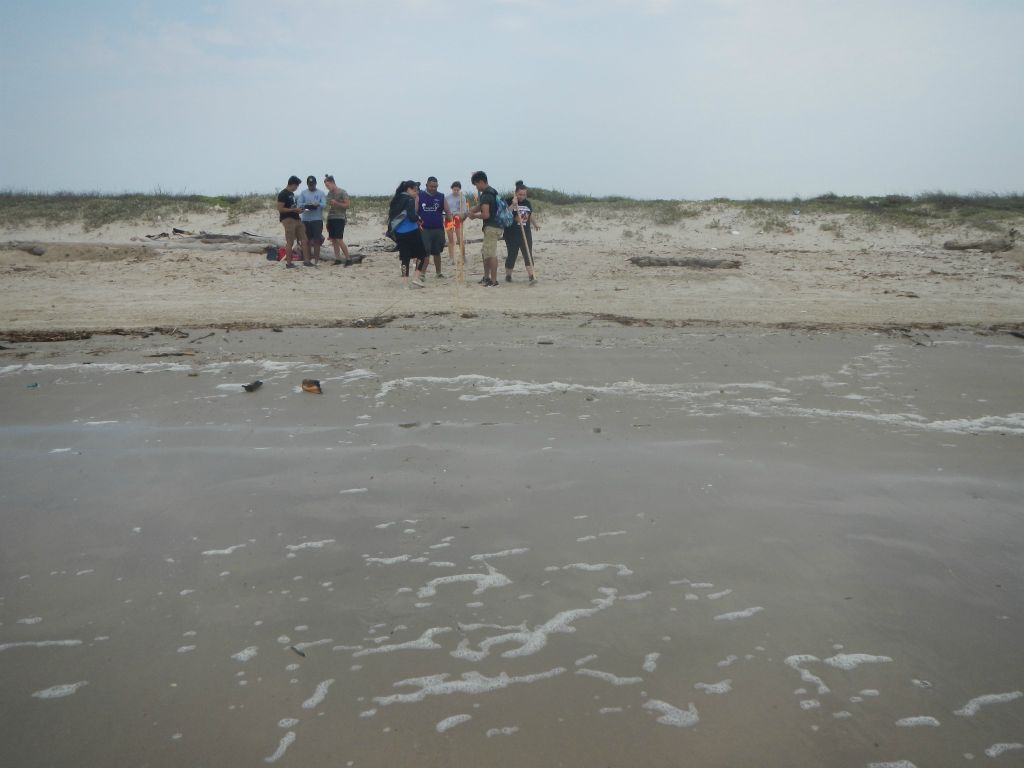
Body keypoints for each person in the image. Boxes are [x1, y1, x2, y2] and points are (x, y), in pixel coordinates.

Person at [388, 180, 427, 288]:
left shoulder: (396, 199)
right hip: (412, 231)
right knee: (422, 255)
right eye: (415, 190)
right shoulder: (409, 199)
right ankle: (415, 278)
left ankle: (405, 283)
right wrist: (418, 218)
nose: (416, 193)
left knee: (405, 258)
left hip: (399, 233)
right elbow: (412, 217)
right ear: (408, 189)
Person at [467, 170, 501, 286]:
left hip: (491, 227)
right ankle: (486, 277)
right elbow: (481, 206)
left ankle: (494, 281)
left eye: (476, 184)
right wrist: (470, 211)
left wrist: (474, 216)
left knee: (491, 254)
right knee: (485, 252)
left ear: (481, 182)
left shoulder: (486, 195)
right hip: (496, 226)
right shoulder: (493, 191)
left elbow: (486, 214)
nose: (476, 187)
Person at [504, 180, 538, 284]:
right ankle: (508, 275)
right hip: (511, 233)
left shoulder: (527, 203)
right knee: (512, 254)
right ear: (515, 193)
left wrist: (535, 224)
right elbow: (505, 214)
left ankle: (531, 276)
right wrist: (513, 205)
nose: (522, 197)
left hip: (525, 232)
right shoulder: (508, 200)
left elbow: (530, 215)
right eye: (520, 194)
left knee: (527, 253)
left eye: (524, 195)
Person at [418, 176, 451, 278]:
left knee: (437, 252)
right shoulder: (420, 196)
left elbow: (448, 212)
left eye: (435, 186)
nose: (433, 188)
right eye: (431, 186)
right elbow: (414, 212)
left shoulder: (441, 196)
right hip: (424, 229)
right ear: (426, 185)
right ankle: (422, 274)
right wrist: (417, 224)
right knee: (425, 252)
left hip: (438, 229)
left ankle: (438, 273)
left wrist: (451, 221)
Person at [276, 175, 311, 268]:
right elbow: (280, 209)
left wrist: (299, 210)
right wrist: (294, 210)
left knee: (304, 239)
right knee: (290, 241)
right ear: (292, 184)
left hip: (297, 218)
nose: (297, 187)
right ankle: (289, 263)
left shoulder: (292, 194)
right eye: (297, 185)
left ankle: (307, 261)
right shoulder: (283, 194)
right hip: (288, 219)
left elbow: (292, 207)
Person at [296, 175, 327, 264]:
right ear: (307, 184)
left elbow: (324, 204)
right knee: (306, 241)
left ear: (316, 183)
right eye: (310, 185)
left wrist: (317, 204)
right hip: (305, 220)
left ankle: (316, 260)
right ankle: (308, 259)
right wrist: (307, 204)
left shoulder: (321, 193)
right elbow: (299, 204)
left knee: (317, 241)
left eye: (313, 184)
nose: (311, 186)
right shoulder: (303, 193)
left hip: (317, 220)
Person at [323, 174, 352, 266]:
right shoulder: (329, 194)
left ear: (332, 183)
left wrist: (337, 203)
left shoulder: (342, 192)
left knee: (339, 239)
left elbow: (347, 205)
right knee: (334, 240)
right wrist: (327, 221)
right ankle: (338, 259)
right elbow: (329, 206)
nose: (327, 187)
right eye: (326, 186)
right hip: (331, 218)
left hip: (339, 218)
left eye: (328, 185)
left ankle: (348, 259)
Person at [445, 181, 469, 267]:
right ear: (452, 189)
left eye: (457, 190)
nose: (456, 191)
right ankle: (451, 258)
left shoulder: (462, 197)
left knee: (459, 238)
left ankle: (463, 256)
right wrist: (448, 214)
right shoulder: (447, 197)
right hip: (449, 218)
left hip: (457, 218)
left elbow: (464, 210)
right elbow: (444, 209)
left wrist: (458, 214)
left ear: (459, 189)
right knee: (450, 239)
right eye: (454, 190)